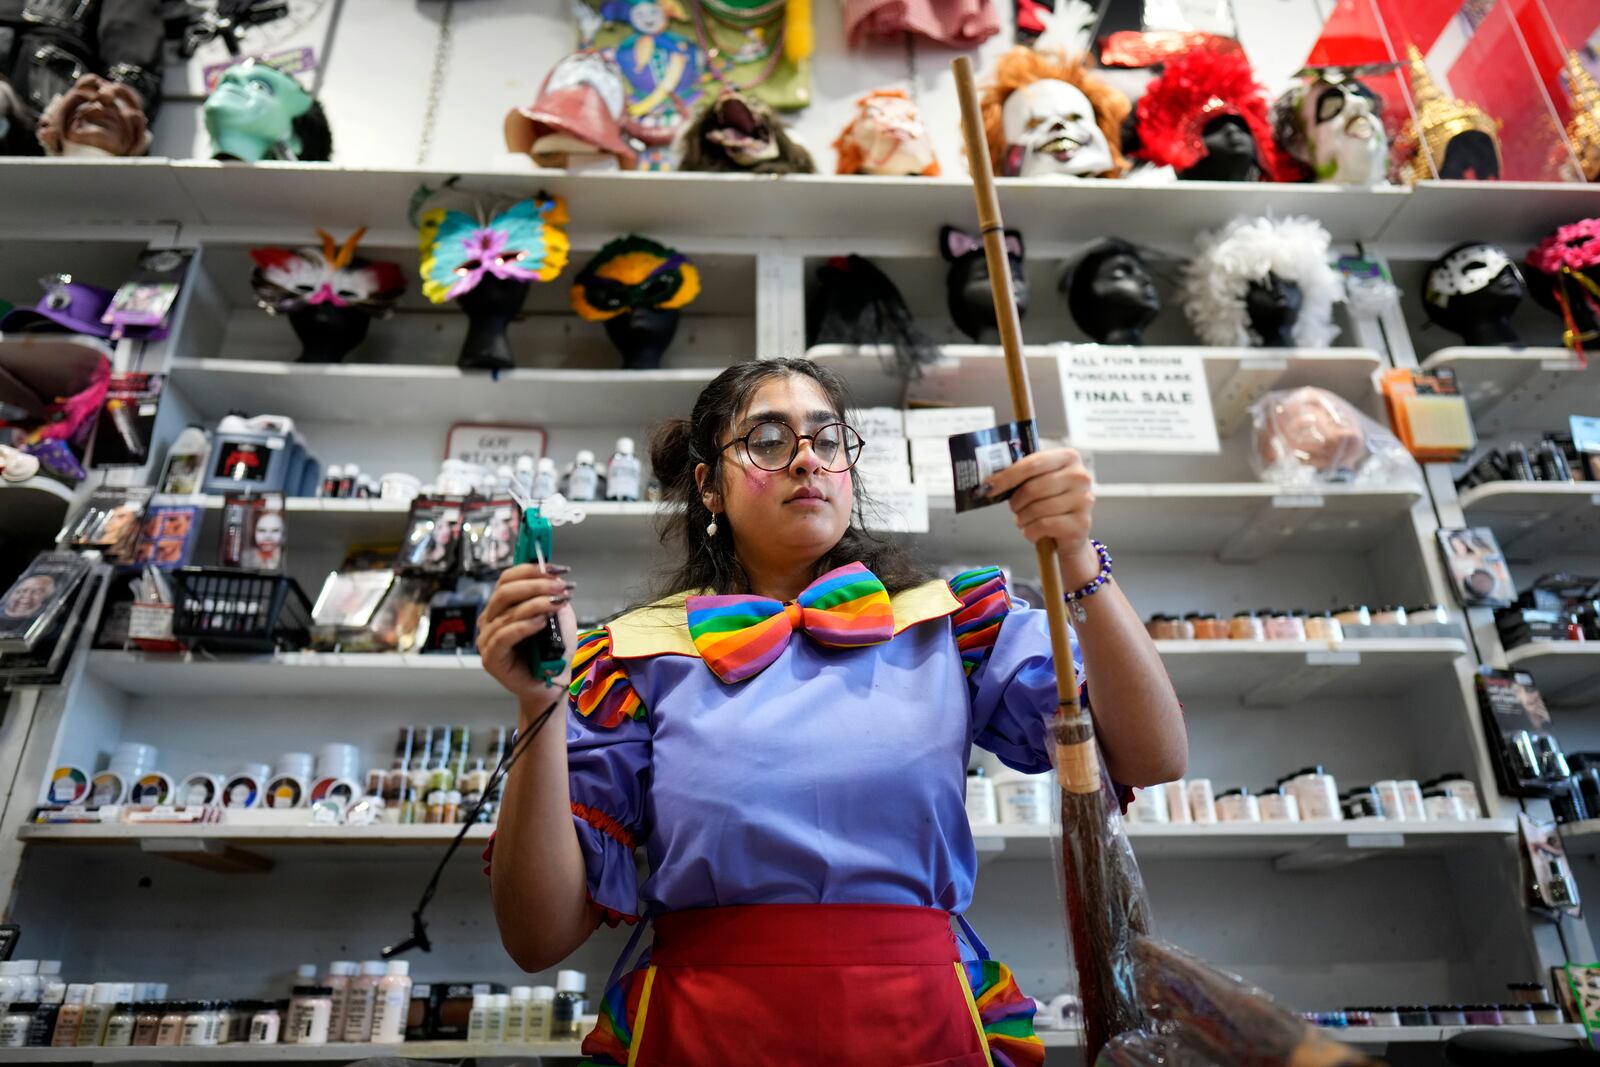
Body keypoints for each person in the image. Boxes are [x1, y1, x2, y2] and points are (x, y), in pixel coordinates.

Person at [478, 358, 1185, 1066]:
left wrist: (1073, 554)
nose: (807, 459)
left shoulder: (949, 625)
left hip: (922, 1030)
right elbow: (537, 938)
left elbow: (1152, 755)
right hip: (705, 1034)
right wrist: (538, 701)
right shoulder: (629, 657)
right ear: (708, 487)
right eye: (767, 440)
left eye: (827, 437)